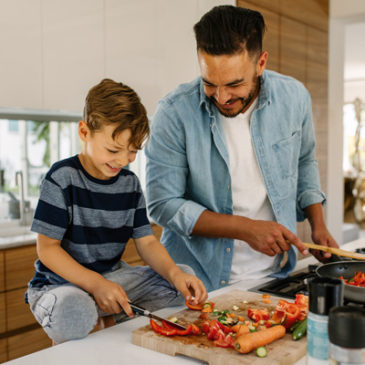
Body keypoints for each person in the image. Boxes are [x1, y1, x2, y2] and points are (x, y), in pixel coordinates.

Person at [145, 5, 338, 292]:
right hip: (194, 281)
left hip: (275, 276)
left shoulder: (294, 97)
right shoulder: (173, 113)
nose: (221, 97)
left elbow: (304, 160)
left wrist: (317, 223)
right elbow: (162, 205)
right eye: (210, 83)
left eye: (234, 84)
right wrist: (245, 228)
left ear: (261, 63)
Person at [26, 79, 207, 344]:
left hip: (112, 278)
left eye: (132, 151)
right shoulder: (62, 178)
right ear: (85, 132)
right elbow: (48, 249)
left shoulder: (129, 184)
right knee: (74, 309)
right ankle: (95, 319)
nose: (123, 160)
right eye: (113, 149)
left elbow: (146, 242)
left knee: (181, 279)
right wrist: (95, 285)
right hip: (60, 286)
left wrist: (175, 274)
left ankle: (103, 320)